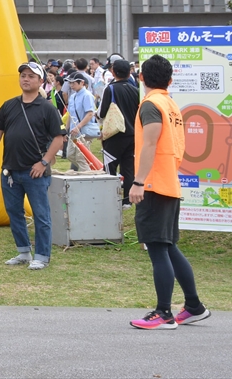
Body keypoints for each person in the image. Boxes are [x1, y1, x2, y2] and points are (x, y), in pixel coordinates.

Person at [128, 55, 211, 330]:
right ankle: (194, 306)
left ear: (141, 78)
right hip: (168, 183)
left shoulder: (151, 104)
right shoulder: (171, 104)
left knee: (157, 247)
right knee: (168, 246)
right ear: (170, 80)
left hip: (154, 184)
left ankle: (164, 313)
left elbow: (150, 143)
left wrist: (139, 182)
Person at [0, 62, 66, 271]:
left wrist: (44, 162)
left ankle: (42, 255)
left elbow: (59, 138)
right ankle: (23, 251)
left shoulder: (47, 108)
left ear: (40, 81)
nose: (26, 79)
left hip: (35, 171)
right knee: (14, 212)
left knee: (41, 214)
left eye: (31, 76)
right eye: (23, 76)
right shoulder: (9, 105)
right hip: (10, 169)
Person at [100, 58, 140, 207]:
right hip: (132, 134)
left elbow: (102, 112)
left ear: (113, 71)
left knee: (110, 166)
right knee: (128, 168)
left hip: (115, 135)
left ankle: (110, 199)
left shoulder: (110, 89)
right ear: (129, 72)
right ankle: (127, 201)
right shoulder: (135, 90)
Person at [66, 72, 99, 165]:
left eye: (74, 83)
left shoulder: (87, 95)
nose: (71, 85)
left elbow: (90, 113)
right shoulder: (72, 96)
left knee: (82, 157)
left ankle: (88, 175)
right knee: (70, 155)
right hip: (73, 131)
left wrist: (78, 126)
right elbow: (70, 114)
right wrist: (66, 129)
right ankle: (88, 171)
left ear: (82, 83)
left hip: (84, 130)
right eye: (70, 83)